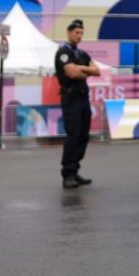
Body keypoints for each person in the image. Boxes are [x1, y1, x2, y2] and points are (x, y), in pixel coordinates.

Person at [56, 19, 100, 189]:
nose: (79, 35)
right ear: (69, 32)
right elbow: (72, 74)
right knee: (73, 135)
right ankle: (67, 173)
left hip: (83, 98)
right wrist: (85, 71)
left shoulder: (82, 54)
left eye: (81, 33)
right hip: (71, 98)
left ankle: (74, 170)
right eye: (76, 32)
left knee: (83, 135)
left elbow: (97, 71)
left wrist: (83, 70)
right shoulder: (63, 53)